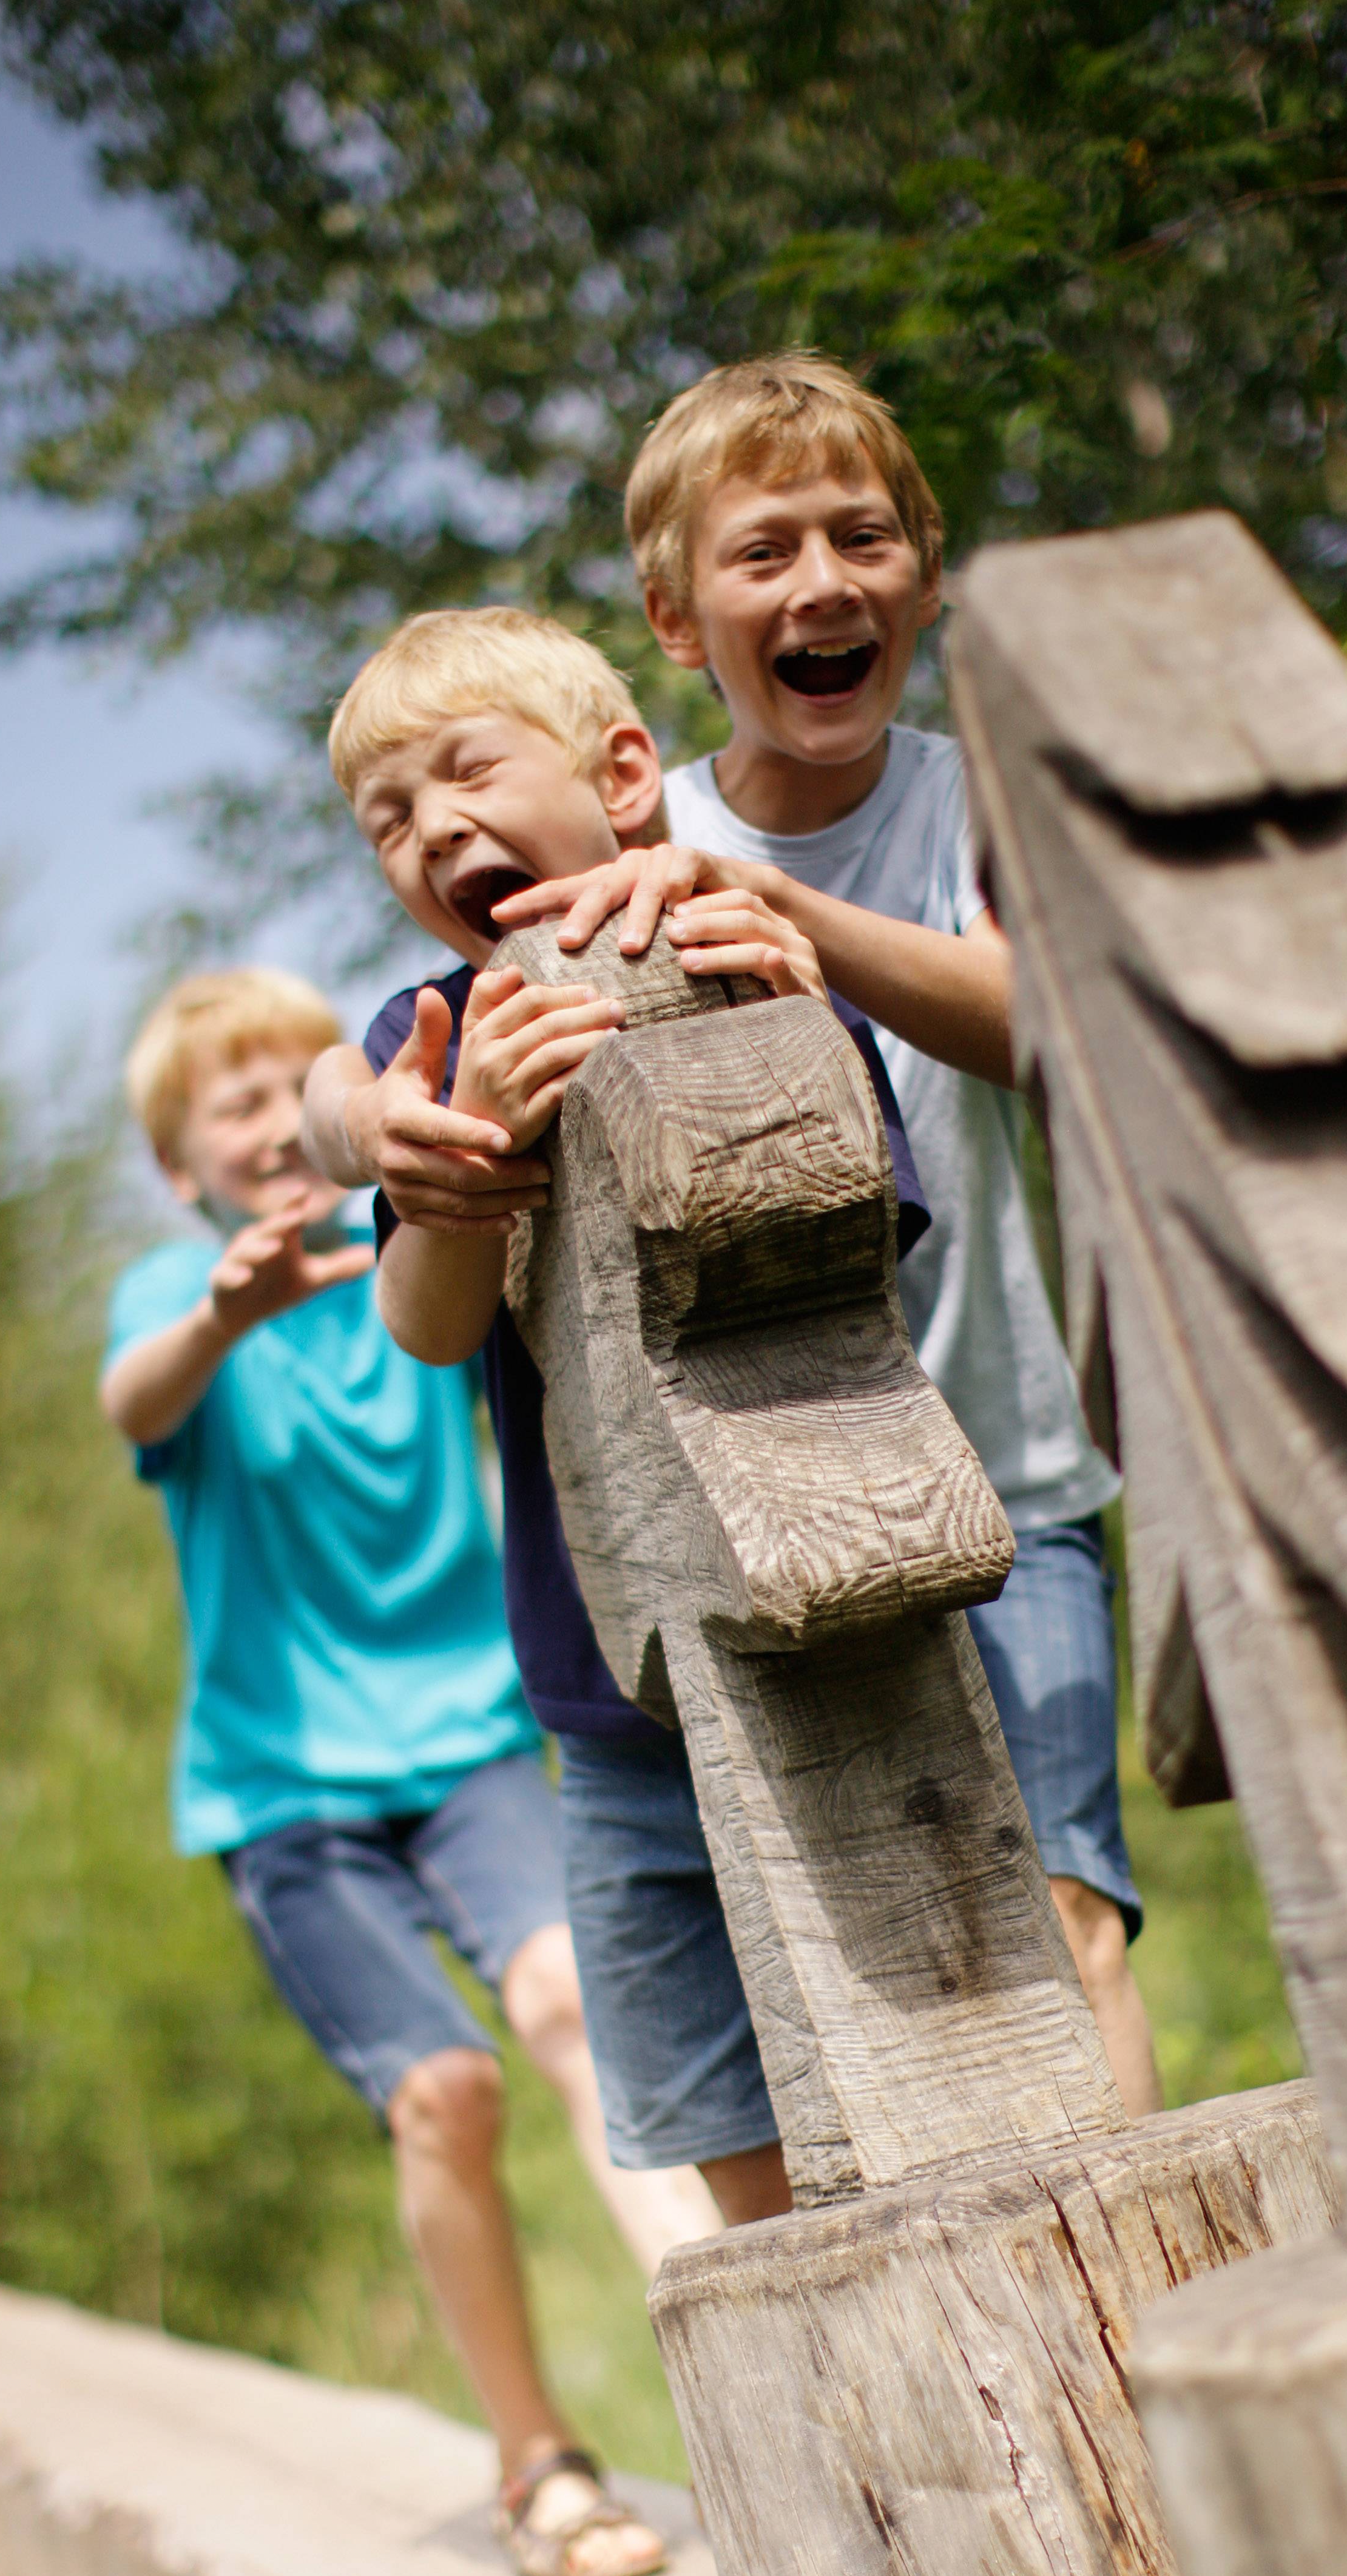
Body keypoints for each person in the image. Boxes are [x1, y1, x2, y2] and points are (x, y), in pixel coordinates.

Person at [487, 353, 1160, 2117]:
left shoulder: (966, 804)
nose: (821, 586)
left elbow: (1050, 1028)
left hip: (1007, 1469)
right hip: (756, 1504)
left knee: (1070, 1914)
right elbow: (434, 1018)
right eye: (763, 553)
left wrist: (799, 922)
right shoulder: (640, 837)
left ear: (926, 580)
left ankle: (1161, 2350)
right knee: (857, 1982)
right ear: (675, 622)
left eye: (862, 539)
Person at [300, 611, 932, 2231]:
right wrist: (459, 1165)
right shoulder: (423, 1040)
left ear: (627, 775)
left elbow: (871, 1223)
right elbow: (428, 1330)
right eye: (390, 820)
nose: (434, 828)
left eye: (467, 774)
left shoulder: (724, 936)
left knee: (930, 2046)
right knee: (733, 2137)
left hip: (846, 1613)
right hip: (605, 1691)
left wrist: (768, 1012)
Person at [102, 965, 713, 2576]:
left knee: (580, 2006)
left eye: (286, 1086)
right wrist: (221, 1319)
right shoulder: (183, 1294)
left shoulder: (412, 1250)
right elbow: (131, 1401)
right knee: (444, 2094)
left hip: (469, 1742)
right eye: (226, 1107)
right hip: (286, 1790)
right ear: (187, 1166)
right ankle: (539, 2464)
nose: (266, 1124)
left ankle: (734, 2374)